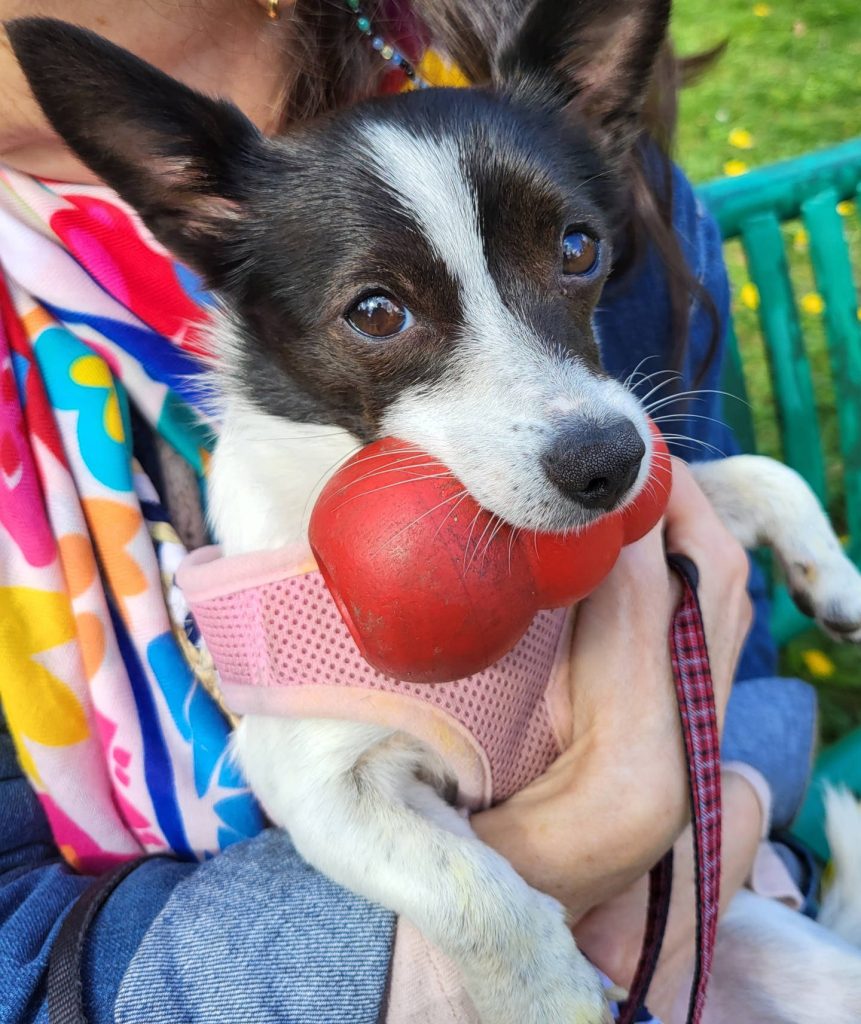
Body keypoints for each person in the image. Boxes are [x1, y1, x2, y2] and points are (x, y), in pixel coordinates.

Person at [0, 2, 818, 1022]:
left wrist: (729, 815)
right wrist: (574, 854)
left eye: (573, 252)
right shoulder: (270, 497)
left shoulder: (539, 145)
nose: (563, 405)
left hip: (718, 908)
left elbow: (747, 662)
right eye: (379, 312)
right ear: (187, 211)